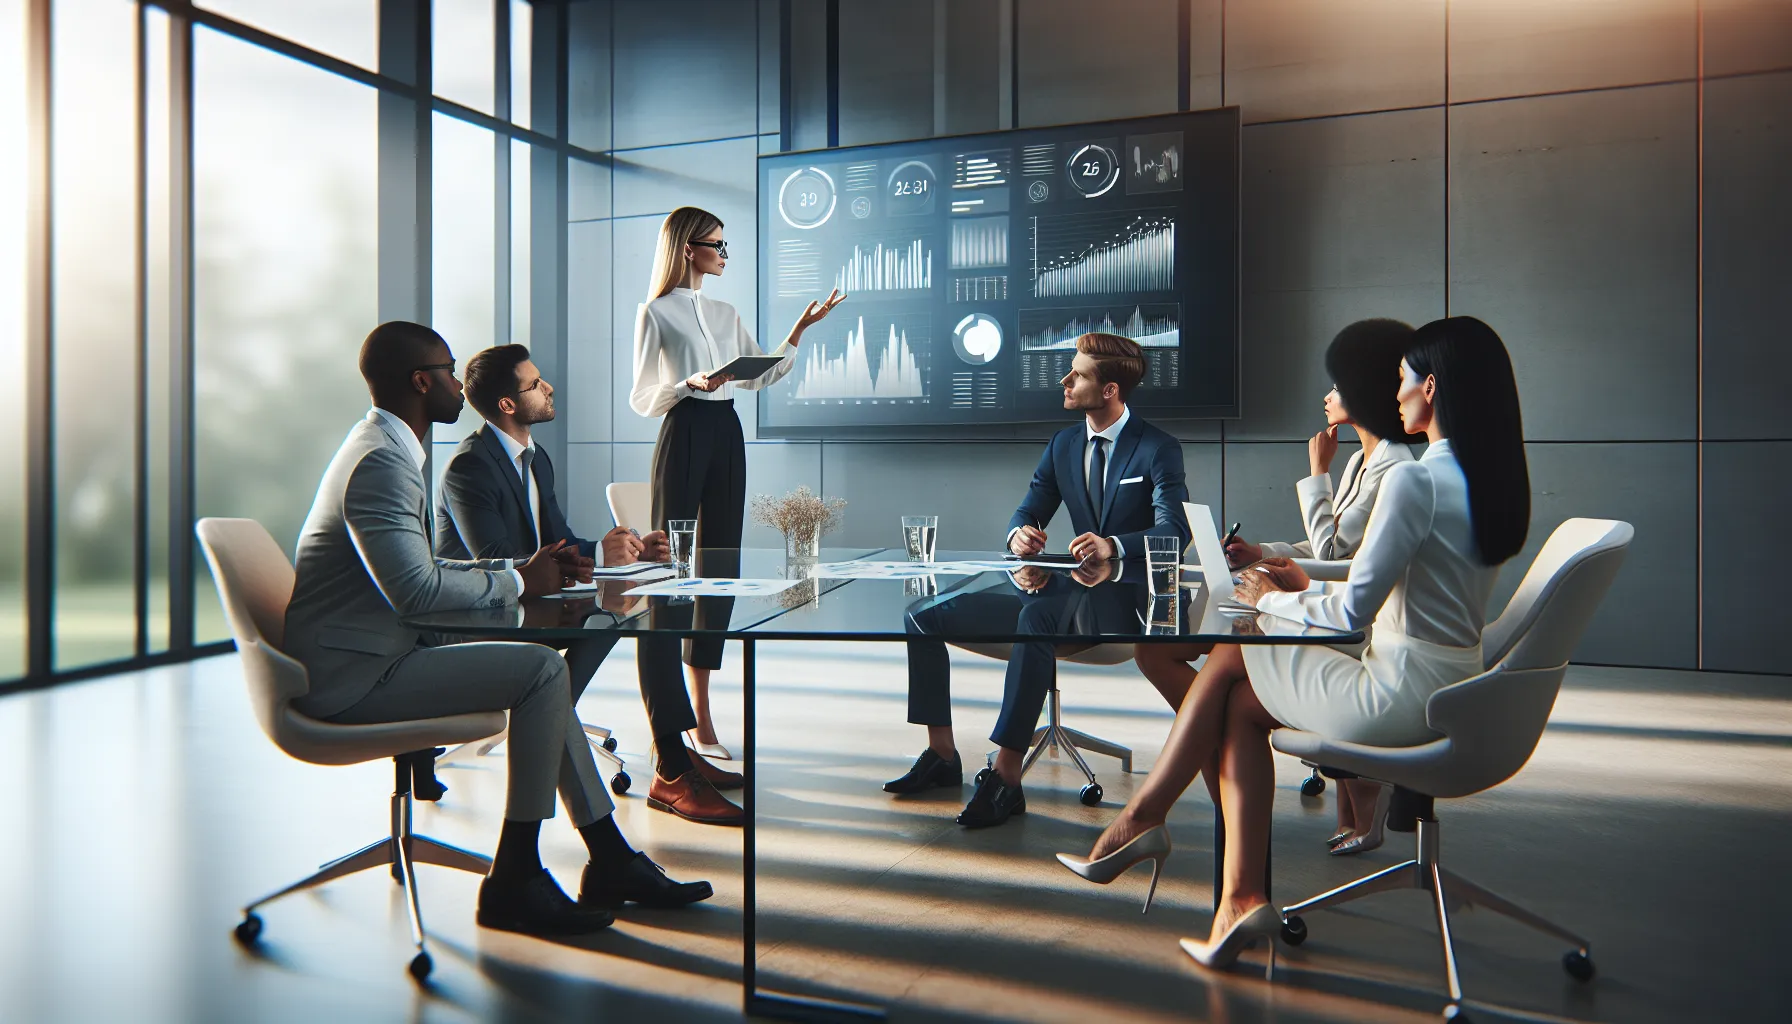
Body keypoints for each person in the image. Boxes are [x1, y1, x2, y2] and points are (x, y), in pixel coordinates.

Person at [1057, 316, 1530, 970]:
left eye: (1402, 380)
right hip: (1452, 689)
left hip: (1394, 694)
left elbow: (1354, 609)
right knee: (1244, 705)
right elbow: (1403, 587)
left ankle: (1139, 824)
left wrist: (1270, 600)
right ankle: (1237, 897)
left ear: (1433, 386)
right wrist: (1292, 582)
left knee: (1230, 652)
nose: (1395, 395)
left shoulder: (1413, 479)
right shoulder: (1483, 480)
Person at [284, 322, 711, 940]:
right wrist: (517, 582)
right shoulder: (383, 461)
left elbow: (422, 569)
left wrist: (516, 570)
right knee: (542, 671)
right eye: (450, 370)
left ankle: (604, 861)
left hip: (379, 651)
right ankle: (521, 877)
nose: (459, 384)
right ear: (421, 381)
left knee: (547, 672)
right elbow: (417, 591)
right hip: (354, 675)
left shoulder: (385, 447)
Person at [886, 332, 1191, 828]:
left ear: (1110, 390)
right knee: (922, 616)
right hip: (1062, 591)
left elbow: (1174, 531)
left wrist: (1113, 545)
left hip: (1124, 601)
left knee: (1035, 615)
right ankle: (942, 754)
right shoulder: (1064, 443)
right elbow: (1030, 506)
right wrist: (1019, 536)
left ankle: (1005, 778)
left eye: (1079, 374)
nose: (1065, 380)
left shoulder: (1157, 449)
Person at [438, 343, 747, 827]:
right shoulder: (469, 466)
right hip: (484, 611)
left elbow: (557, 542)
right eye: (535, 384)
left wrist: (625, 547)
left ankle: (666, 756)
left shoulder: (535, 460)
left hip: (535, 597)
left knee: (633, 611)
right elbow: (492, 562)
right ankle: (632, 750)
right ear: (507, 405)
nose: (548, 387)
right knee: (616, 615)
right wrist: (588, 557)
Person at [629, 206, 845, 761]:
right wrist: (685, 383)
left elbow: (761, 373)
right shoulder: (654, 313)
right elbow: (641, 397)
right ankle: (668, 729)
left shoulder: (725, 312)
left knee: (721, 564)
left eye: (726, 246)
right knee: (671, 571)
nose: (724, 255)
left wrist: (798, 332)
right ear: (687, 249)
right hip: (683, 428)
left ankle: (703, 714)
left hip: (727, 429)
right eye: (717, 245)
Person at [1218, 319, 1422, 856]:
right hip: (1342, 598)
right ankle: (1354, 808)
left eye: (1336, 386)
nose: (1327, 396)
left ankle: (1361, 803)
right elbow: (1330, 548)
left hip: (1362, 616)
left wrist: (1316, 472)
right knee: (1236, 649)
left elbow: (1333, 555)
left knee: (1235, 660)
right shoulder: (1362, 459)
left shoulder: (1393, 469)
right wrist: (1263, 552)